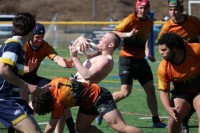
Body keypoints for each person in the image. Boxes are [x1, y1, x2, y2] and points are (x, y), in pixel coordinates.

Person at [111, 0, 167, 128]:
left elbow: (145, 38)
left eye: (146, 8)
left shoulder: (149, 22)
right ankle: (102, 105)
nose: (143, 10)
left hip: (141, 60)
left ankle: (156, 120)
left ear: (149, 9)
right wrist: (128, 34)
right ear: (137, 9)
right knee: (125, 92)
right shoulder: (130, 20)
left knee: (151, 90)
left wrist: (147, 53)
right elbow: (114, 33)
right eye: (141, 8)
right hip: (127, 60)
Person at [57, 31, 122, 132]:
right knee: (79, 126)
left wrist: (74, 58)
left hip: (86, 93)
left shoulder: (106, 59)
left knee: (120, 127)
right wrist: (81, 38)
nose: (100, 38)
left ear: (111, 44)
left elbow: (87, 76)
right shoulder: (96, 53)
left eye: (104, 38)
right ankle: (71, 129)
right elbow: (75, 45)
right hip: (79, 90)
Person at [31, 77, 143, 133]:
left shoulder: (58, 101)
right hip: (87, 101)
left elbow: (51, 126)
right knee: (81, 128)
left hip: (99, 96)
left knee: (120, 127)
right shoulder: (52, 84)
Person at [22, 23, 75, 133]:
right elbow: (10, 66)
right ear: (31, 35)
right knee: (21, 110)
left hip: (32, 77)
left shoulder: (44, 46)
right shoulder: (23, 46)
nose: (40, 40)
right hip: (17, 79)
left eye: (42, 37)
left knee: (60, 91)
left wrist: (66, 64)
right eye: (37, 37)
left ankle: (71, 130)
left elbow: (57, 58)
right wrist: (27, 68)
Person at [157, 0, 200, 132]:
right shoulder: (164, 66)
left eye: (164, 50)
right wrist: (168, 108)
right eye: (170, 10)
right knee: (174, 118)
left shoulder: (196, 50)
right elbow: (163, 91)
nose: (161, 53)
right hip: (181, 93)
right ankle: (183, 123)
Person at [0, 12, 42, 133]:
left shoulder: (14, 44)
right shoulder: (15, 45)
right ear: (32, 29)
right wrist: (27, 86)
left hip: (11, 99)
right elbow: (3, 69)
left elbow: (10, 68)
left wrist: (28, 69)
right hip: (6, 100)